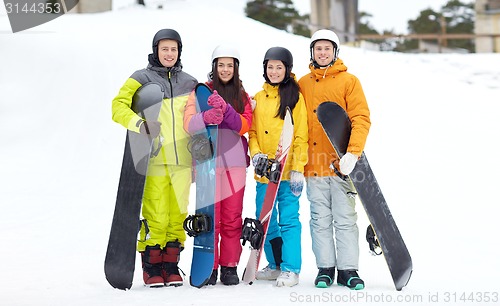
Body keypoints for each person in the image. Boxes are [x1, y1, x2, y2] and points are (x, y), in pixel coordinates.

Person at [111, 29, 197, 287]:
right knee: (155, 213)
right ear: (156, 50)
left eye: (174, 49)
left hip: (182, 160)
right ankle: (151, 266)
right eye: (165, 49)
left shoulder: (190, 83)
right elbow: (118, 107)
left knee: (178, 214)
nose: (169, 54)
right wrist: (139, 124)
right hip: (154, 159)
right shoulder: (141, 78)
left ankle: (170, 265)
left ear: (179, 51)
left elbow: (195, 122)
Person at [298, 29, 371, 290]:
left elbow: (361, 118)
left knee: (345, 219)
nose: (323, 53)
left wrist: (353, 153)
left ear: (335, 52)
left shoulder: (349, 81)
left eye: (327, 48)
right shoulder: (303, 83)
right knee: (319, 220)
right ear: (312, 52)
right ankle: (325, 268)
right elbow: (295, 123)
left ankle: (348, 270)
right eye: (318, 48)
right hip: (313, 166)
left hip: (341, 166)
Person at [183, 45, 253, 285]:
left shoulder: (242, 95)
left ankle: (229, 266)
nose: (225, 69)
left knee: (233, 217)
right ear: (214, 67)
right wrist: (205, 118)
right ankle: (210, 265)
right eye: (221, 65)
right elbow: (188, 124)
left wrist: (227, 110)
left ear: (236, 68)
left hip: (234, 164)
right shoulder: (201, 92)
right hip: (209, 165)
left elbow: (245, 126)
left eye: (230, 65)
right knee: (212, 216)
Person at [249, 47, 308, 287]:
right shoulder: (258, 98)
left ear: (287, 69)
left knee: (289, 219)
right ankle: (275, 264)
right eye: (270, 67)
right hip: (265, 174)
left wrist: (298, 168)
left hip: (287, 171)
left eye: (279, 67)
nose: (274, 71)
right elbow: (252, 132)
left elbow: (302, 134)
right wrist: (256, 155)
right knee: (265, 220)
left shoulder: (295, 97)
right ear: (265, 68)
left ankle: (291, 268)